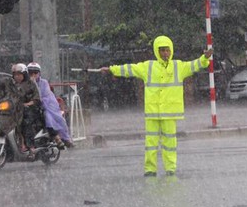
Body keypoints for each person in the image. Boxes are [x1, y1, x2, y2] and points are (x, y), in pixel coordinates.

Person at [100, 35, 213, 177]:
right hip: (153, 112)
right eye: (162, 51)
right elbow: (130, 69)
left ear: (171, 50)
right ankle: (150, 169)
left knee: (170, 144)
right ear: (156, 51)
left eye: (167, 50)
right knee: (151, 143)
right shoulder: (148, 67)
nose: (165, 53)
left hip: (170, 113)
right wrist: (112, 70)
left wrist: (205, 58)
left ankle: (170, 169)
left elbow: (195, 65)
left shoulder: (178, 66)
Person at [27, 62, 73, 148]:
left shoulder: (43, 83)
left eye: (35, 72)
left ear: (39, 73)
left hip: (44, 107)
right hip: (28, 107)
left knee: (48, 117)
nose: (33, 75)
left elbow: (45, 96)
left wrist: (34, 87)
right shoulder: (24, 84)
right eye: (30, 72)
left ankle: (60, 138)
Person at [12, 63, 43, 154]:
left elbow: (37, 99)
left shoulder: (31, 84)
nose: (17, 76)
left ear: (24, 74)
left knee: (25, 122)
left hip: (31, 109)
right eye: (15, 74)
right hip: (16, 110)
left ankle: (30, 145)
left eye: (19, 74)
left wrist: (27, 104)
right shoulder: (12, 85)